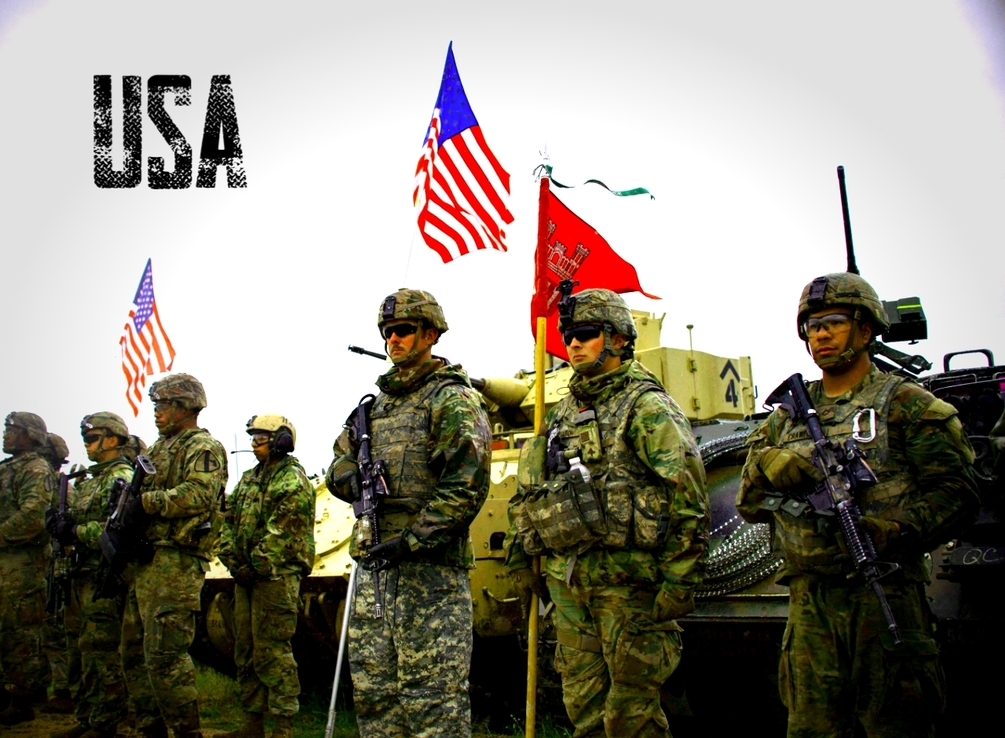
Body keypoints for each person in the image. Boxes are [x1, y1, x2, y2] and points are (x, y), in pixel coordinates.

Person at [736, 272, 981, 737]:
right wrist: (772, 465)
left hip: (885, 594)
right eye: (812, 326)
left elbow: (957, 496)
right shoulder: (784, 418)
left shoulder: (909, 406)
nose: (821, 335)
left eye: (834, 322)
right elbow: (749, 503)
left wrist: (896, 530)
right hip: (810, 605)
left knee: (896, 724)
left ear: (865, 330)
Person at [505, 286, 710, 738]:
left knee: (631, 716)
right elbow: (532, 491)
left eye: (585, 333)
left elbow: (688, 497)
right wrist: (522, 557)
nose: (573, 344)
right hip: (570, 582)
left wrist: (680, 579)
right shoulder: (562, 413)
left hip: (628, 587)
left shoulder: (646, 407)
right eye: (568, 336)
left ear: (617, 339)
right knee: (585, 710)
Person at [325, 288, 491, 738]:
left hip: (429, 574)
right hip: (376, 571)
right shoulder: (371, 411)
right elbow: (337, 463)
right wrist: (353, 479)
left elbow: (466, 484)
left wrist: (414, 539)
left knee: (432, 699)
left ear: (430, 334)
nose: (392, 340)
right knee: (375, 694)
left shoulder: (451, 400)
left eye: (402, 330)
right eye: (387, 332)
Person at [119, 374, 228, 738]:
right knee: (134, 652)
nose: (157, 412)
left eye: (164, 405)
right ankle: (150, 727)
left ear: (186, 407)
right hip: (147, 560)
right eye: (156, 405)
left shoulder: (202, 447)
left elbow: (199, 495)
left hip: (176, 561)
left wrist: (146, 503)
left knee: (165, 654)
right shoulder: (158, 449)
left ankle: (186, 732)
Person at [217, 414, 315, 738]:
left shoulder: (292, 479)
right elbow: (228, 520)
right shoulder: (249, 479)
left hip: (276, 577)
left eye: (261, 438)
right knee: (245, 650)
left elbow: (284, 530)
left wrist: (256, 564)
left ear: (281, 441)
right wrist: (232, 560)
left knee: (273, 650)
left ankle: (283, 725)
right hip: (247, 576)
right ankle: (253, 721)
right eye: (253, 438)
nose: (254, 444)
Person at [45, 413, 139, 738]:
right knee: (78, 648)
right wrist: (59, 524)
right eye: (85, 438)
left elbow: (117, 529)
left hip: (103, 575)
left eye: (92, 438)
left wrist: (75, 531)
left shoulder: (122, 476)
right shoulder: (90, 479)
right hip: (79, 572)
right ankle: (87, 716)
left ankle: (107, 722)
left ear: (113, 439)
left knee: (100, 649)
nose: (86, 444)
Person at [0, 411, 58, 725]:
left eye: (13, 429)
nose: (6, 434)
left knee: (19, 631)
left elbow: (35, 515)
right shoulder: (8, 467)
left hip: (22, 564)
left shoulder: (36, 468)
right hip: (6, 561)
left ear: (31, 435)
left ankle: (22, 698)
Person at [40, 431, 81, 716]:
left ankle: (65, 689)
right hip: (47, 564)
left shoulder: (63, 490)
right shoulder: (58, 487)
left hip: (58, 565)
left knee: (57, 630)